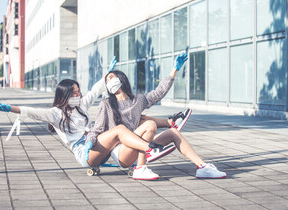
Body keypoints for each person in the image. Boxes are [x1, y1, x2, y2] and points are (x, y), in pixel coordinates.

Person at [0, 58, 173, 171]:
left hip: (98, 145)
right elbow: (34, 113)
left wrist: (107, 74)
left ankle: (145, 152)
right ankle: (150, 148)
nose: (78, 95)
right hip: (84, 152)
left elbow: (95, 90)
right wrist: (9, 108)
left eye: (78, 91)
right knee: (119, 129)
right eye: (74, 93)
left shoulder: (82, 105)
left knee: (129, 122)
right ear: (65, 95)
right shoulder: (56, 113)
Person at [86, 52, 226, 180]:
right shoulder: (106, 104)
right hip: (121, 151)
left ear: (121, 79)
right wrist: (89, 142)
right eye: (107, 81)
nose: (109, 82)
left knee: (173, 133)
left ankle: (202, 167)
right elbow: (97, 129)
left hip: (137, 145)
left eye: (111, 77)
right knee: (145, 124)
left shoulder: (138, 100)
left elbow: (159, 92)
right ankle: (145, 159)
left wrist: (174, 70)